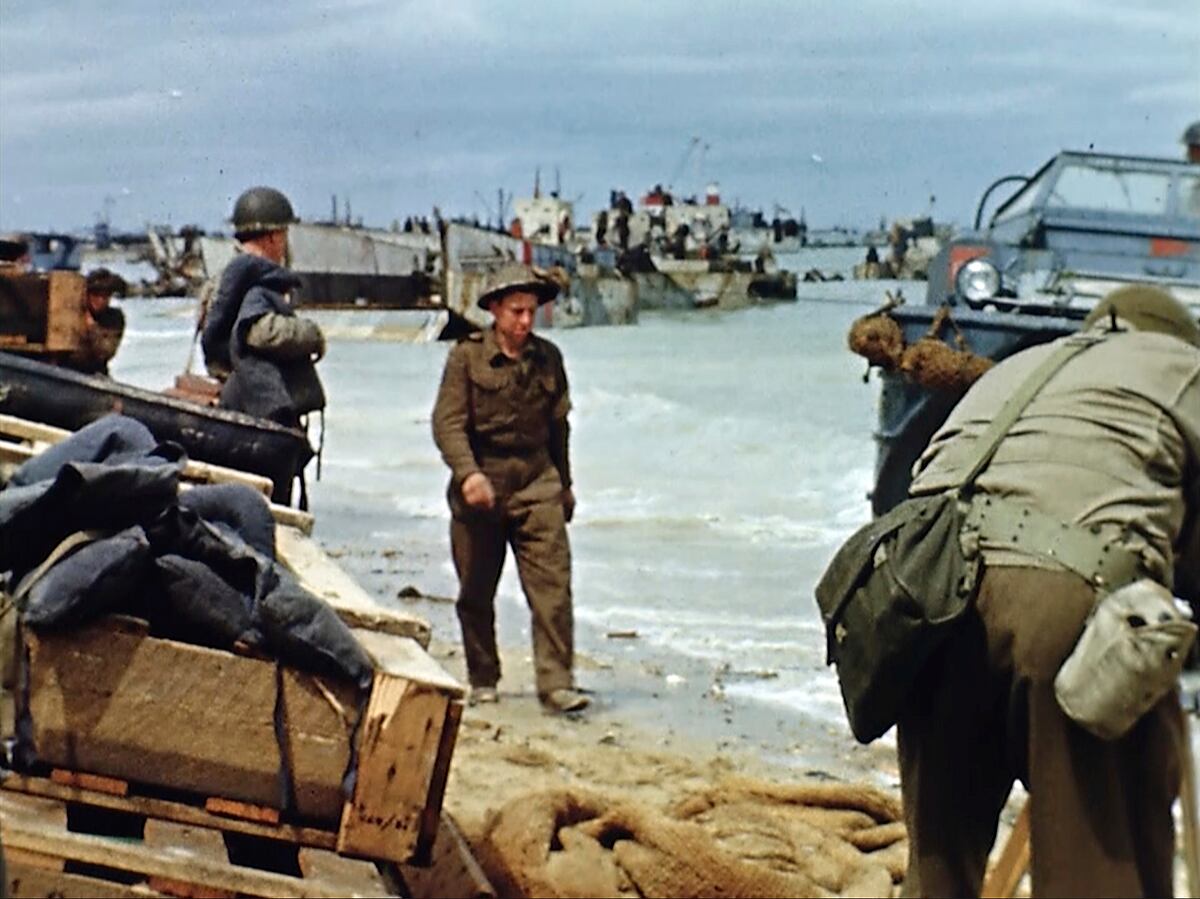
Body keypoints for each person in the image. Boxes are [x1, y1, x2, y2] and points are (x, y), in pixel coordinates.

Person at [896, 284, 1200, 897]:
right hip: (1065, 603)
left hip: (923, 593)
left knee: (938, 870)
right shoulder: (1185, 369)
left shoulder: (1022, 365)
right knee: (1098, 869)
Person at [431, 263, 588, 715]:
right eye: (516, 311)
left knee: (553, 588)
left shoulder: (549, 358)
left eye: (531, 312)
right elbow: (447, 423)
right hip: (482, 481)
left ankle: (556, 684)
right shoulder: (466, 358)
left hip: (538, 481)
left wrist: (565, 485)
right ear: (495, 309)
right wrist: (469, 474)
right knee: (475, 591)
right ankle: (483, 678)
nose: (525, 321)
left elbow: (559, 428)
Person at [200, 186, 325, 429]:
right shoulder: (255, 280)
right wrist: (312, 335)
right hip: (257, 404)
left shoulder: (223, 279)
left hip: (235, 392)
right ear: (273, 237)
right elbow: (258, 332)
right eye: (284, 234)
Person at [63, 267, 128, 375]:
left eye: (105, 296)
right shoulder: (71, 313)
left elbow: (105, 352)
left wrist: (91, 327)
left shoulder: (114, 318)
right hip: (65, 368)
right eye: (96, 295)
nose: (100, 300)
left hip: (94, 372)